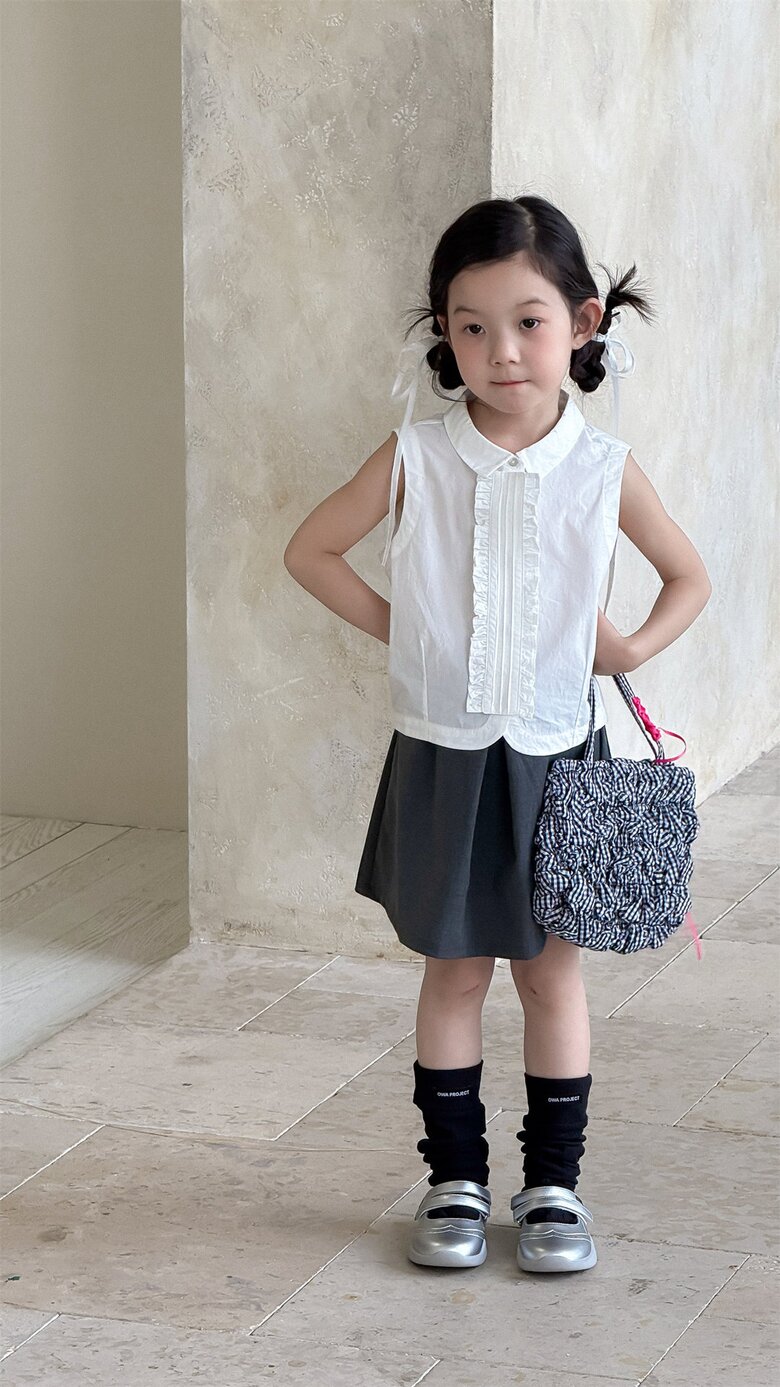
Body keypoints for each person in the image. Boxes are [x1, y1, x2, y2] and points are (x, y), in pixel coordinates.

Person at [283, 194, 712, 1275]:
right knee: (456, 974)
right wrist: (410, 633)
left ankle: (555, 1185)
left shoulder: (603, 467)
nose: (501, 350)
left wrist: (626, 648)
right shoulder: (416, 457)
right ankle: (455, 1180)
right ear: (445, 332)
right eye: (471, 326)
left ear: (583, 322)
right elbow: (311, 551)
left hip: (561, 762)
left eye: (528, 322)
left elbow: (689, 577)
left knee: (552, 977)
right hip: (445, 757)